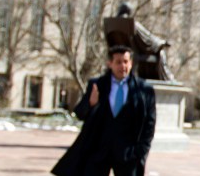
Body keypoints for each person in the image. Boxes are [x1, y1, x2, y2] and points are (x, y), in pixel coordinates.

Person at [52, 45, 156, 176]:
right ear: (110, 64)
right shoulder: (98, 85)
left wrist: (141, 151)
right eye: (118, 62)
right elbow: (79, 113)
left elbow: (150, 123)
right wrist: (90, 103)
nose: (122, 66)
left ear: (131, 63)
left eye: (126, 62)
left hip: (128, 153)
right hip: (98, 151)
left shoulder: (143, 90)